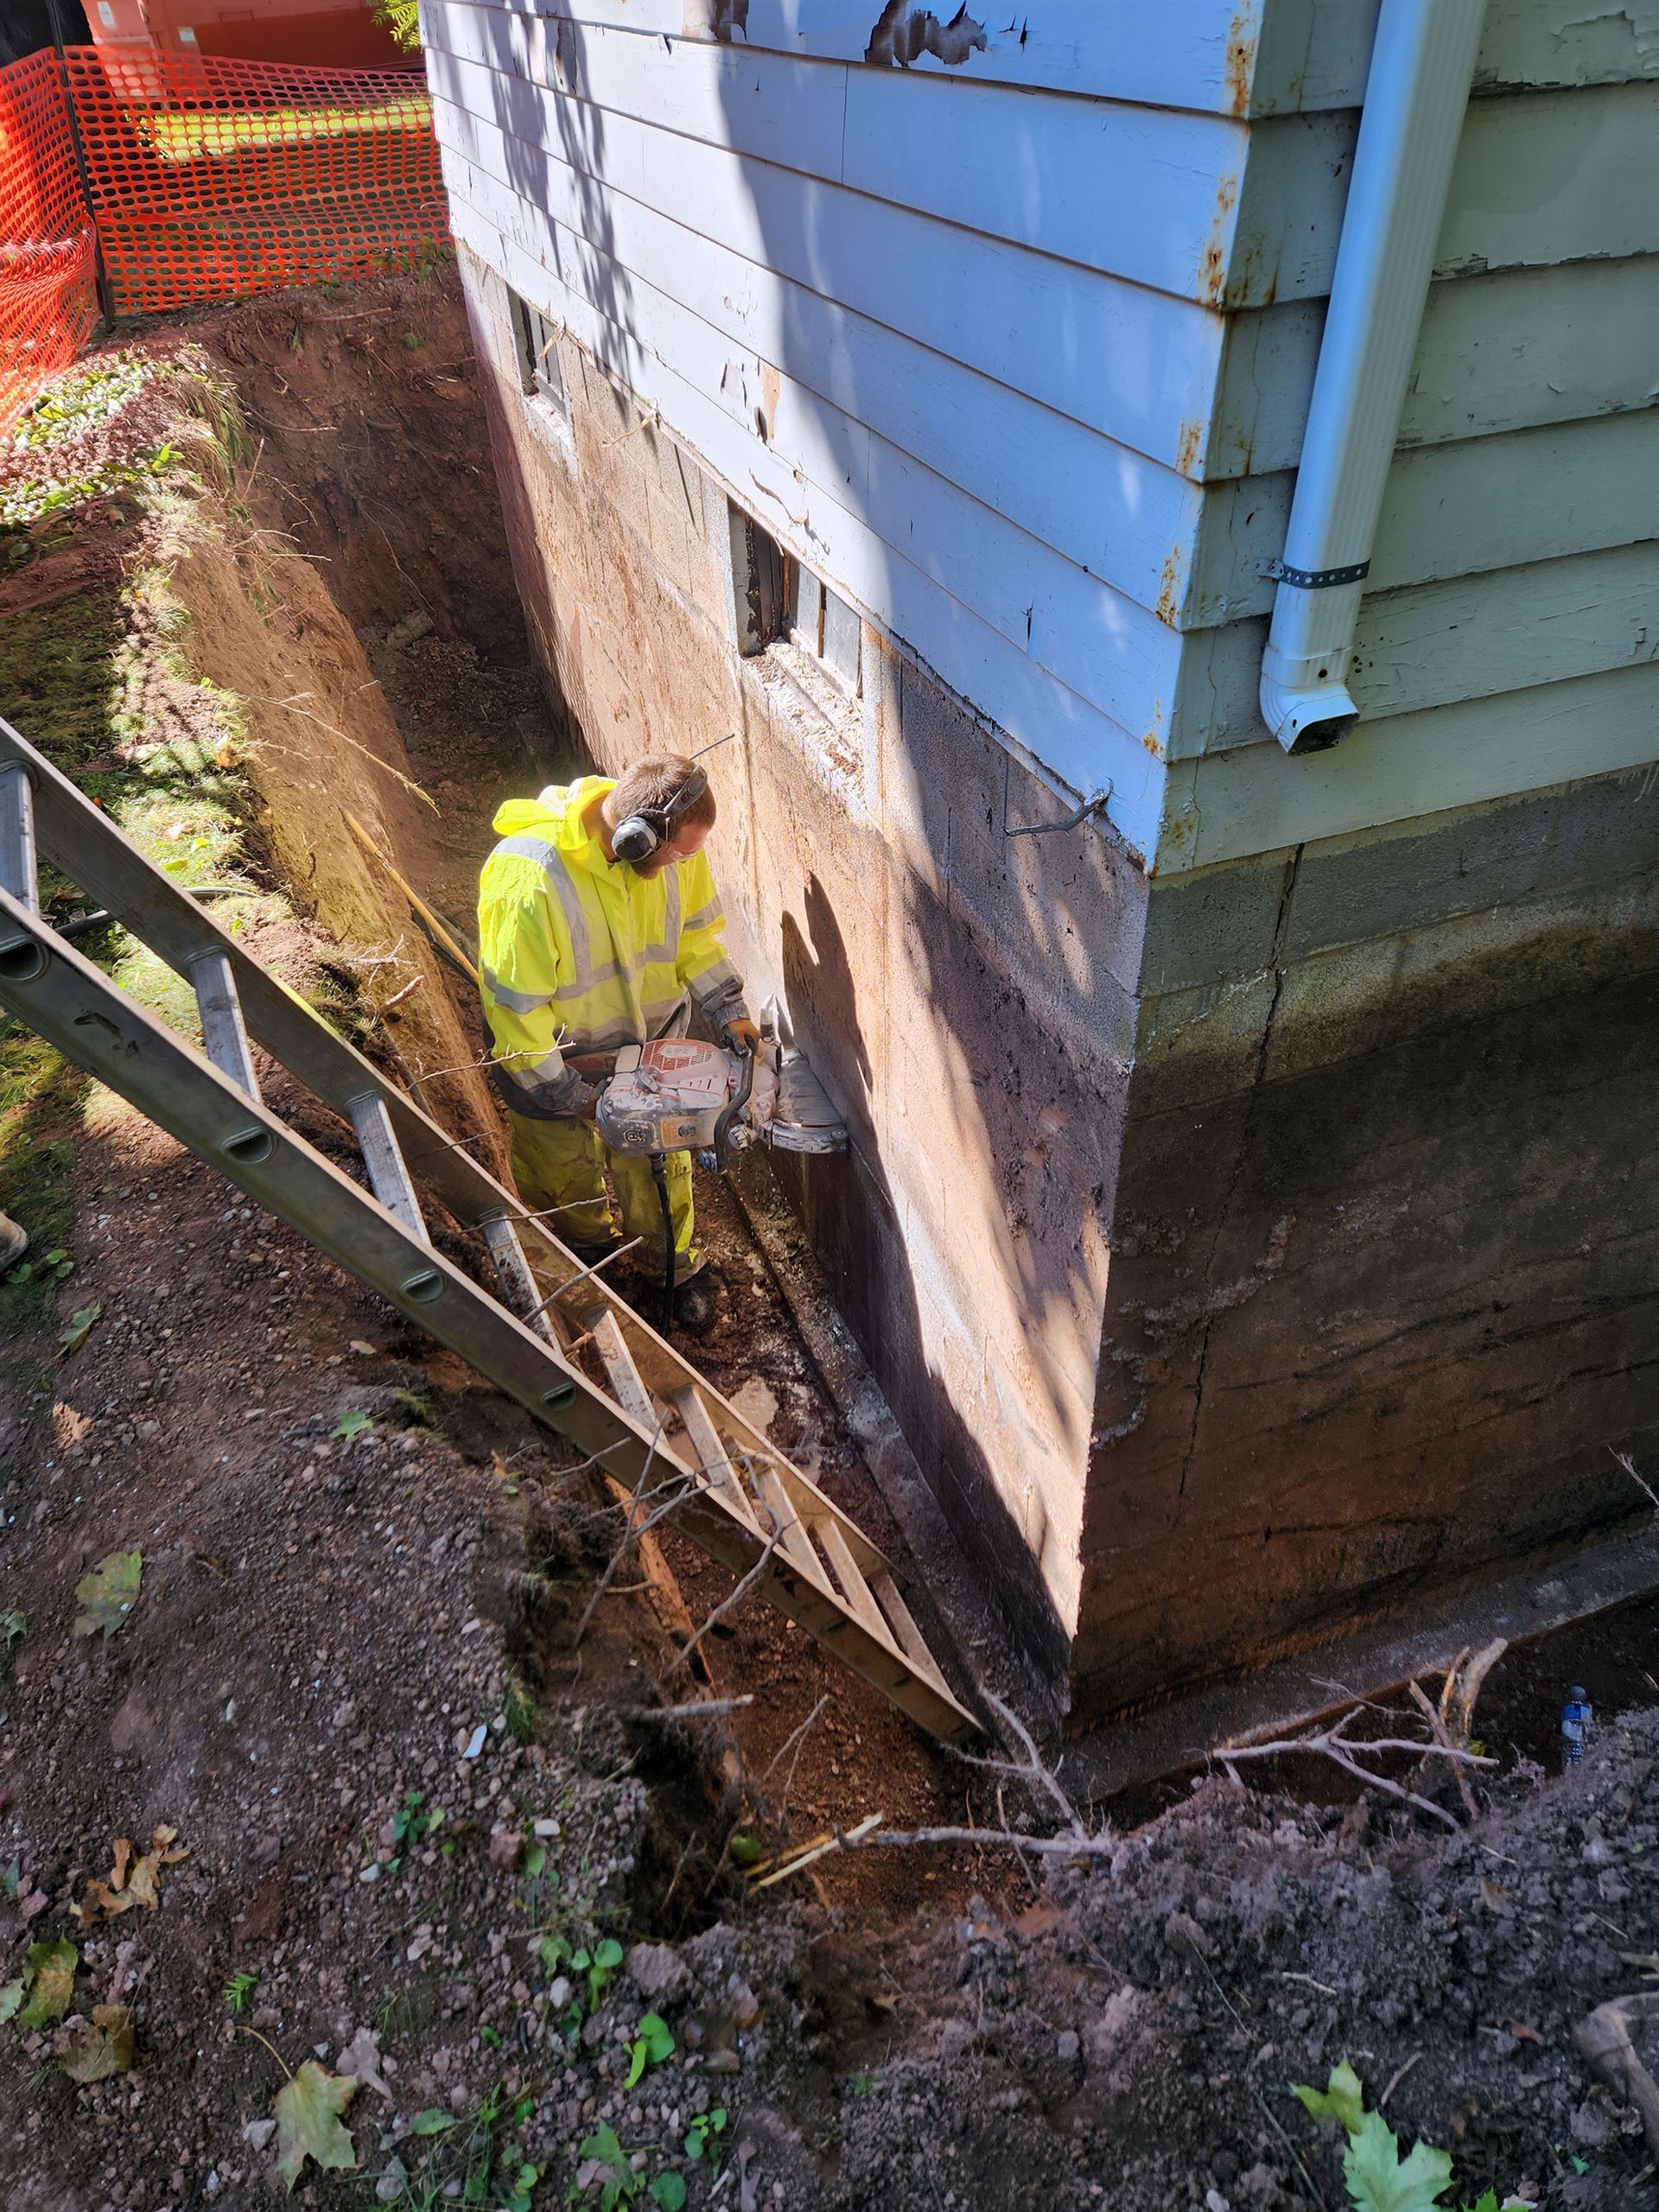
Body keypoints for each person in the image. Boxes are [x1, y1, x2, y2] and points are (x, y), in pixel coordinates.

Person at [477, 753, 758, 1334]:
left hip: (646, 1056)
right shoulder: (529, 881)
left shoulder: (676, 858)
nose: (685, 862)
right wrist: (571, 1095)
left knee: (658, 1166)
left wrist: (730, 1012)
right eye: (678, 852)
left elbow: (697, 942)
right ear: (634, 838)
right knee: (568, 1172)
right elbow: (517, 1013)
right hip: (548, 1065)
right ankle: (587, 1258)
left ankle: (671, 1270)